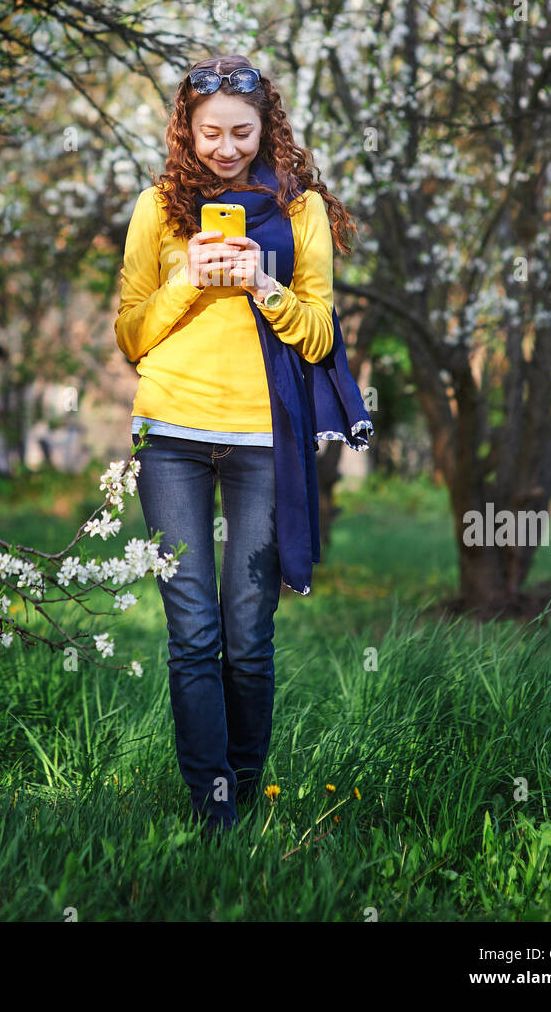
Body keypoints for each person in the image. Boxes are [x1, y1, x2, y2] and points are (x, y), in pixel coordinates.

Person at [114, 54, 373, 839]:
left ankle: (246, 789)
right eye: (211, 132)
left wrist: (265, 284)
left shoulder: (301, 213)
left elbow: (322, 334)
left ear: (268, 130)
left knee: (247, 637)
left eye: (242, 132)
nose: (226, 148)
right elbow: (131, 333)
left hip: (265, 440)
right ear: (186, 130)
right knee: (192, 632)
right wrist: (189, 278)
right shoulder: (158, 209)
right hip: (171, 437)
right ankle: (211, 808)